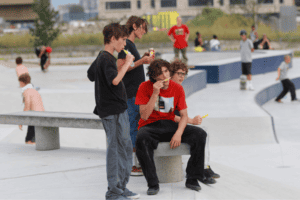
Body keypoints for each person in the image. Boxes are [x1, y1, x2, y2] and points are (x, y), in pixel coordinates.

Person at [135, 59, 215, 196]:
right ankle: (153, 183)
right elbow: (144, 116)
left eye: (166, 71)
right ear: (154, 77)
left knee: (200, 134)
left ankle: (192, 178)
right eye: (160, 73)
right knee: (141, 139)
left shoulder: (177, 88)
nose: (165, 75)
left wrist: (178, 133)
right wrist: (155, 93)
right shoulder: (144, 87)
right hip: (150, 126)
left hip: (170, 124)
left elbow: (184, 115)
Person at [90, 23, 139, 200]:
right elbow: (115, 81)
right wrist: (127, 64)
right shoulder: (106, 58)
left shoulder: (103, 58)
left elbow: (91, 74)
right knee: (116, 149)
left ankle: (121, 187)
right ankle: (113, 191)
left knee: (124, 147)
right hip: (111, 111)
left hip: (118, 108)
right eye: (123, 39)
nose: (125, 44)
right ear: (112, 39)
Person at [170, 60, 220, 179]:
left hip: (177, 125)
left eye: (184, 74)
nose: (182, 77)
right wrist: (191, 121)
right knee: (201, 133)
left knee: (203, 132)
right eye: (179, 74)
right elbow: (169, 116)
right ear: (171, 74)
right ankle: (201, 169)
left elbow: (181, 114)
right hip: (169, 127)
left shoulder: (178, 88)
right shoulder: (170, 89)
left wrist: (193, 119)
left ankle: (204, 167)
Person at [117, 16, 154, 176]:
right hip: (131, 94)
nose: (144, 31)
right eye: (143, 28)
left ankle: (137, 162)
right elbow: (121, 67)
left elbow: (131, 63)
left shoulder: (130, 45)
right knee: (133, 126)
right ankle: (133, 165)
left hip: (135, 94)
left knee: (136, 126)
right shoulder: (125, 44)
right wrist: (141, 61)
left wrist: (142, 58)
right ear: (135, 26)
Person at [18, 73, 45, 144]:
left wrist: (21, 121)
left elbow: (27, 106)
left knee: (29, 141)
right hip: (41, 116)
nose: (19, 84)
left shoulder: (26, 92)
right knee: (32, 140)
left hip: (34, 117)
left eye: (19, 82)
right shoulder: (34, 91)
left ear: (22, 82)